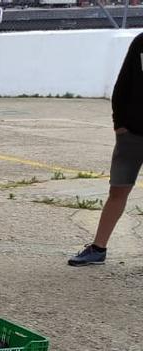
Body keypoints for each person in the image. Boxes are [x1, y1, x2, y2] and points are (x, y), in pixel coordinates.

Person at [69, 32, 143, 266]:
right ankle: (98, 248)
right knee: (117, 191)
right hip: (131, 133)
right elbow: (123, 84)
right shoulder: (141, 43)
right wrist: (119, 124)